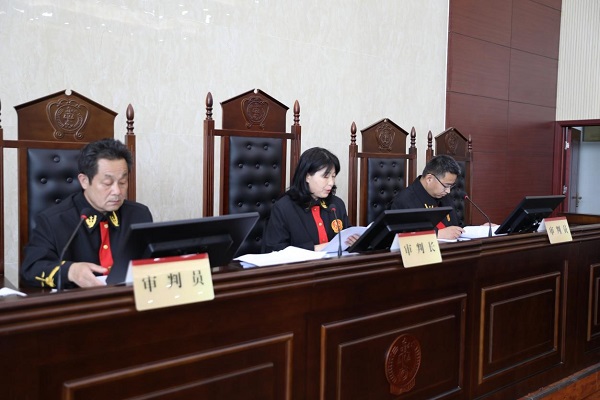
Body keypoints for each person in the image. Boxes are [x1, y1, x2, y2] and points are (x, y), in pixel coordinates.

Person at [20, 138, 153, 289]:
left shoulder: (139, 215)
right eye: (107, 183)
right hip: (80, 301)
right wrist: (70, 271)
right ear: (84, 181)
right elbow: (30, 269)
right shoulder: (54, 221)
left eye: (122, 182)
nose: (117, 191)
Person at [262, 147, 358, 253]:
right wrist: (316, 248)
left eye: (333, 176)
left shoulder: (336, 204)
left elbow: (347, 238)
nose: (331, 182)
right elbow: (275, 250)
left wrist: (355, 241)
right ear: (307, 176)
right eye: (325, 177)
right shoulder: (283, 208)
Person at [389, 154, 464, 240]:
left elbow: (456, 225)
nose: (448, 191)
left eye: (451, 186)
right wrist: (437, 234)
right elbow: (400, 237)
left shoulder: (444, 196)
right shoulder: (404, 200)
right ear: (429, 179)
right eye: (446, 186)